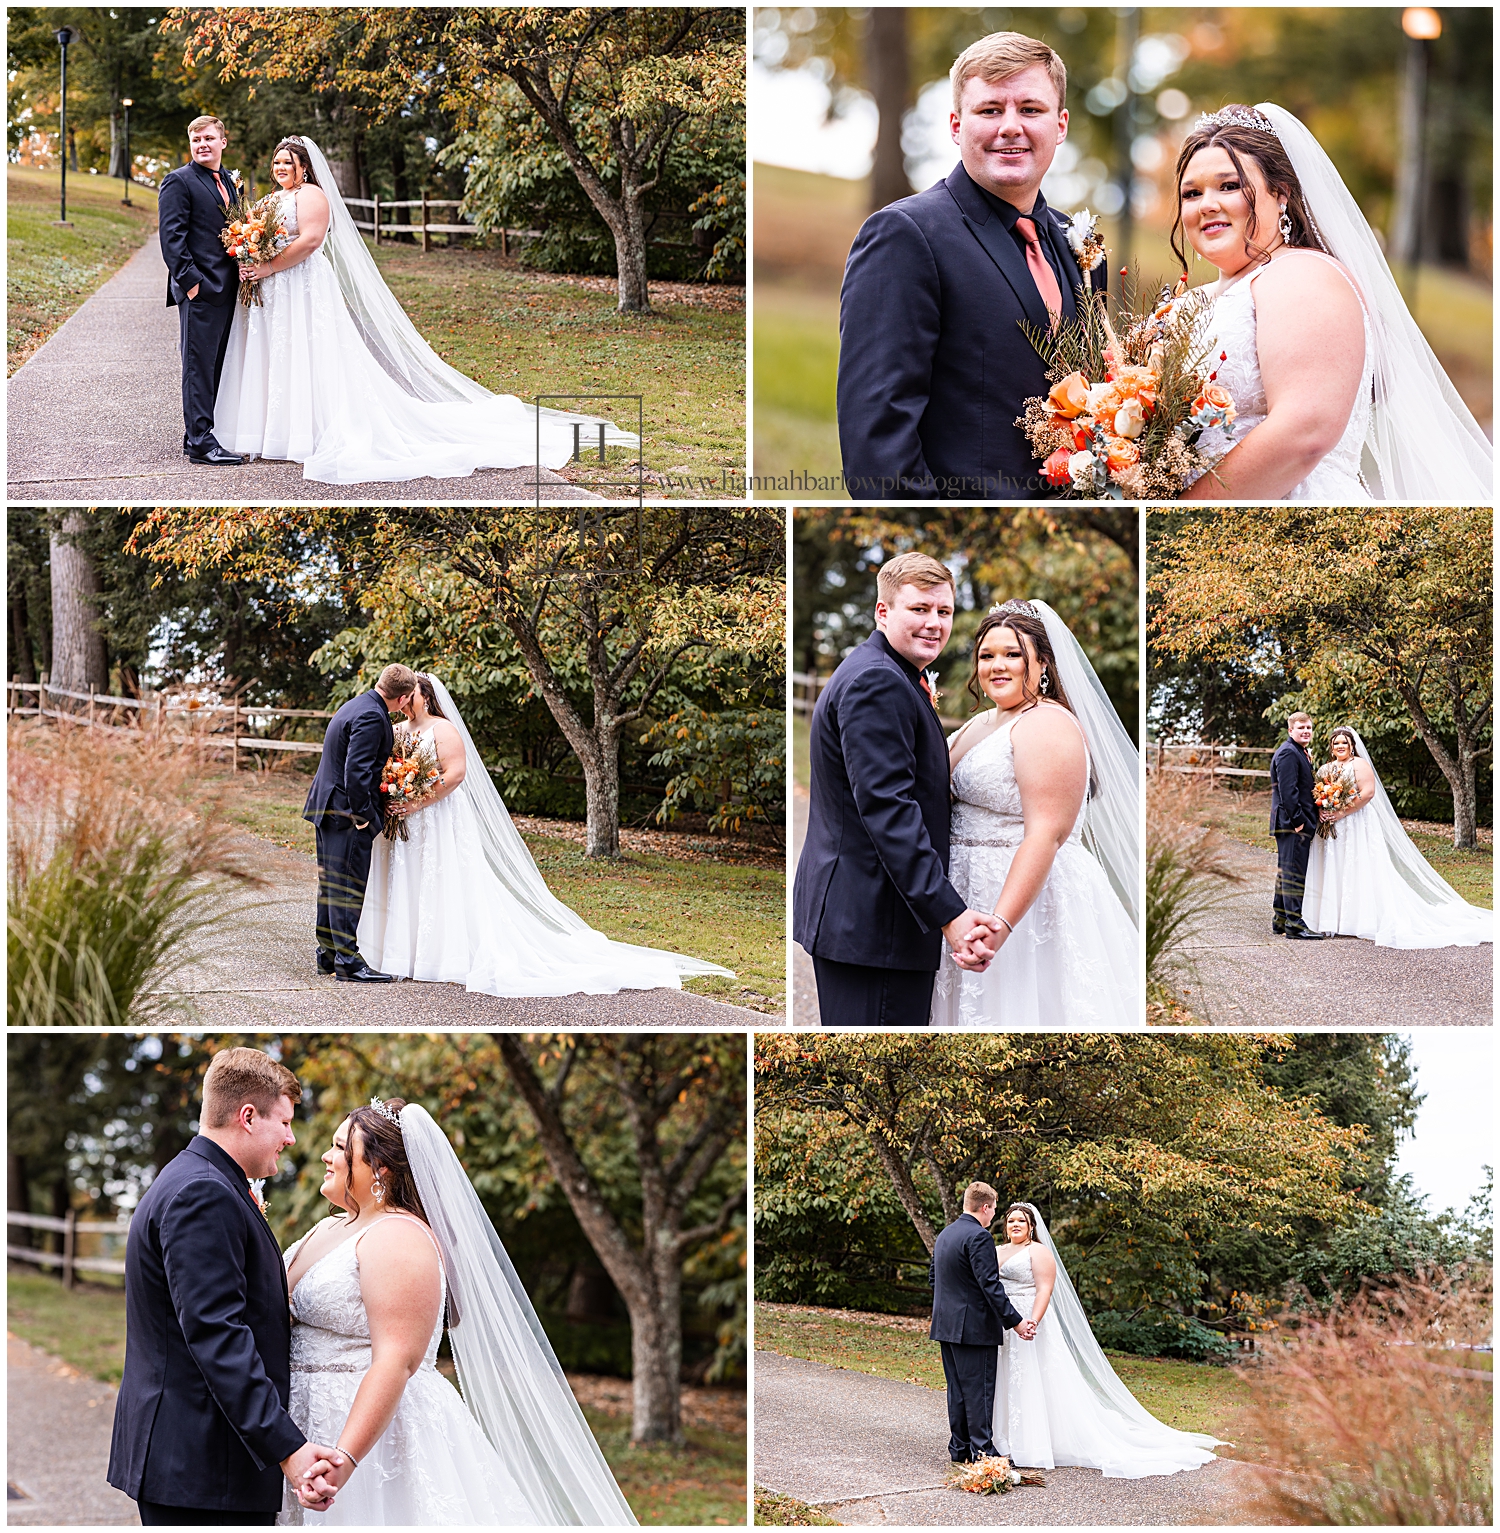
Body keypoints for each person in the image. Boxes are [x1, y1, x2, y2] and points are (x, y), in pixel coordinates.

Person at [279, 1098, 637, 1524]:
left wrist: (346, 1457)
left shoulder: (398, 1236)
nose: (326, 1155)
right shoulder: (328, 1227)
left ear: (380, 1169)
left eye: (341, 1147)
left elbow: (397, 1359)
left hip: (371, 1439)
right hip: (299, 1430)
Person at [213, 136, 634, 485]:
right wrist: (249, 256)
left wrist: (265, 264)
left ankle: (309, 431)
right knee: (280, 358)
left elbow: (308, 242)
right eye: (276, 161)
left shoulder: (312, 196)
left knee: (311, 355)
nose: (280, 167)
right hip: (273, 292)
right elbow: (254, 236)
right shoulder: (270, 199)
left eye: (288, 161)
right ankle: (278, 431)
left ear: (304, 166)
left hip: (303, 286)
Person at [1173, 104, 1491, 501]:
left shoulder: (1304, 276)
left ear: (1281, 193)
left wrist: (1177, 512)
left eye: (1229, 186)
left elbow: (1305, 432)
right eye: (1192, 193)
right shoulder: (1186, 304)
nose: (1206, 204)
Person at [354, 672, 733, 996]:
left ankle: (439, 954)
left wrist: (418, 801)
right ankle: (400, 953)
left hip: (436, 817)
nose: (405, 703)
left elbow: (454, 775)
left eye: (412, 696)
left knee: (440, 881)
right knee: (404, 880)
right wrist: (395, 794)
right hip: (403, 821)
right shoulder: (397, 728)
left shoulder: (444, 729)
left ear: (425, 696)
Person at [837, 32, 1100, 500]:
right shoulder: (905, 235)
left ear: (1060, 125)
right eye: (990, 110)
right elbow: (877, 439)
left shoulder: (1080, 245)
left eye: (1031, 109)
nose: (1011, 126)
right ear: (957, 125)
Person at [107, 1049, 346, 1525]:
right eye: (284, 1122)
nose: (291, 1137)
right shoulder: (204, 1193)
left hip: (194, 1458)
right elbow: (218, 1335)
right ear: (248, 1117)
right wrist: (289, 1449)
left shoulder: (198, 1178)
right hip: (200, 1464)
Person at [793, 552, 1004, 1026]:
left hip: (870, 920)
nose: (934, 623)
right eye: (919, 609)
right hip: (875, 926)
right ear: (883, 612)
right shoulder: (877, 682)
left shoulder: (890, 672)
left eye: (944, 611)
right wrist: (948, 913)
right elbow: (889, 811)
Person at [930, 600, 1140, 1027]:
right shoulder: (980, 723)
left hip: (1025, 902)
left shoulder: (1048, 723)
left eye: (1013, 654)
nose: (997, 666)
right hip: (963, 899)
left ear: (1042, 662)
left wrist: (1001, 924)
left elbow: (1046, 833)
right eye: (987, 656)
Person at [989, 1203, 1221, 1477]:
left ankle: (1033, 1443)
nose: (1015, 1225)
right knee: (1005, 1378)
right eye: (1011, 1220)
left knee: (1032, 1377)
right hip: (1003, 1321)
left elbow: (1044, 1289)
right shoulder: (997, 1250)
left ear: (1031, 1227)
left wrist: (1032, 1322)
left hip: (1029, 1319)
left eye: (1022, 1221)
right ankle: (1003, 1439)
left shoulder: (1038, 1251)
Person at [1303, 725, 1493, 948]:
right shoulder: (1325, 768)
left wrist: (1341, 812)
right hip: (1333, 827)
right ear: (1331, 747)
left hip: (1356, 823)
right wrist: (1323, 810)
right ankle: (1332, 918)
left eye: (1345, 743)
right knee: (1335, 866)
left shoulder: (1360, 765)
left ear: (1352, 746)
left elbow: (1368, 793)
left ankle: (1358, 920)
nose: (1340, 746)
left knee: (1358, 867)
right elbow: (1317, 794)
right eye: (1336, 743)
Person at [302, 663, 417, 983]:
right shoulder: (371, 716)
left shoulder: (357, 704)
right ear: (404, 698)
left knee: (332, 884)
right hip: (345, 814)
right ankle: (348, 963)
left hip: (329, 809)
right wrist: (365, 818)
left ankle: (327, 954)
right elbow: (357, 773)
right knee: (348, 886)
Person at [157, 116, 245, 466]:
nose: (202, 144)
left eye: (209, 138)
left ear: (224, 141)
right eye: (196, 139)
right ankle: (200, 444)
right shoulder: (178, 181)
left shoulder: (229, 181)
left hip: (228, 289)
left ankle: (197, 431)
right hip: (200, 290)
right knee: (197, 367)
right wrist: (192, 284)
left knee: (215, 366)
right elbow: (172, 240)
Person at [928, 1183, 1034, 1465]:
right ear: (985, 1207)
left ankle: (960, 1449)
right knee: (979, 1392)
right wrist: (1016, 1322)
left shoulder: (945, 1234)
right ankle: (984, 1453)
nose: (993, 1216)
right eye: (995, 1210)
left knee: (958, 1390)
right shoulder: (979, 1237)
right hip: (974, 1328)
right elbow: (990, 1286)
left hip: (945, 1326)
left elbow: (933, 1278)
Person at [1269, 712, 1322, 940]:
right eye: (1301, 727)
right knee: (1294, 874)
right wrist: (1299, 822)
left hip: (1292, 823)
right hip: (1293, 824)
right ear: (1290, 730)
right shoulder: (1288, 753)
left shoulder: (1299, 751)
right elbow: (1288, 792)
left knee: (1286, 871)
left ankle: (1280, 919)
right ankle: (1294, 924)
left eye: (1309, 727)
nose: (1306, 731)